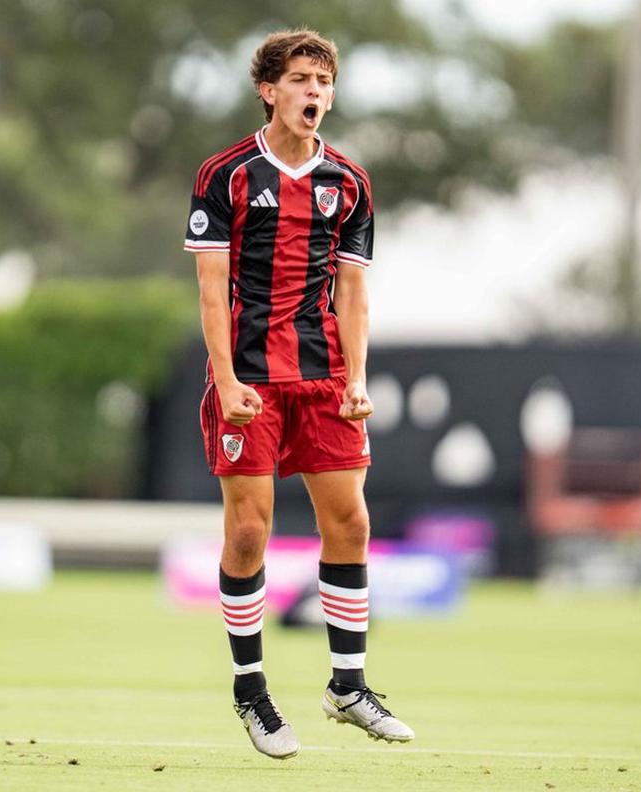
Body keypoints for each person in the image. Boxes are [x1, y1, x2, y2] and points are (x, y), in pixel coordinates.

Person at [184, 29, 414, 759]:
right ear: (269, 90)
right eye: (303, 79)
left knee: (349, 523)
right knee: (249, 532)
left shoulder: (348, 181)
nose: (316, 92)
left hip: (322, 382)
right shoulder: (225, 174)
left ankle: (348, 685)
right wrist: (225, 379)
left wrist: (355, 378)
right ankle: (251, 692)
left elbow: (354, 293)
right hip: (248, 380)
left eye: (326, 81)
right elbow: (211, 290)